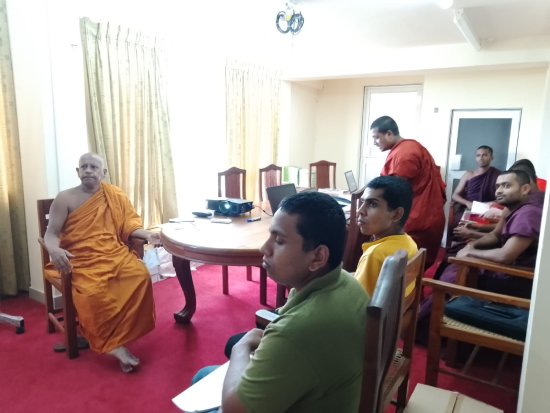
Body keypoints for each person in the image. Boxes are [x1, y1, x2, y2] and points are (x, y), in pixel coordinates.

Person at [199, 192, 368, 412]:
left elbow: (234, 410)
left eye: (279, 241)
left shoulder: (297, 331)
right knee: (206, 374)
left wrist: (242, 347)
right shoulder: (348, 283)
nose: (264, 248)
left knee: (202, 376)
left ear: (318, 257)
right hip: (335, 394)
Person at [44, 152, 158, 373]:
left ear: (103, 172)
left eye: (94, 167)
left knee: (140, 276)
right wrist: (54, 249)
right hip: (80, 259)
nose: (88, 170)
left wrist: (148, 235)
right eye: (84, 166)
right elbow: (51, 233)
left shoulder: (115, 195)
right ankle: (112, 345)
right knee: (93, 292)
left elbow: (129, 226)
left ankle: (120, 335)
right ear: (77, 172)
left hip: (113, 253)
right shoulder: (64, 198)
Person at [418, 169, 543, 320]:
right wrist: (471, 246)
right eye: (498, 186)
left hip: (514, 279)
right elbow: (495, 235)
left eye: (506, 186)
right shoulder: (514, 208)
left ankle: (428, 323)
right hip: (506, 271)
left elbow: (505, 256)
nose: (499, 191)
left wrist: (471, 253)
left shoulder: (529, 213)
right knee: (454, 264)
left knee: (455, 274)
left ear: (525, 189)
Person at [371, 115, 446, 269]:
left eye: (376, 137)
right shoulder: (411, 147)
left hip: (418, 220)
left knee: (401, 269)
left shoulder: (405, 153)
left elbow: (393, 192)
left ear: (389, 134)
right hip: (430, 215)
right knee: (413, 270)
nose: (374, 143)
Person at [355, 176, 418, 297]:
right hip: (395, 307)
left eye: (372, 204)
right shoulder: (409, 242)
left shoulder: (375, 255)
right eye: (362, 202)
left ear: (396, 214)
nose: (360, 211)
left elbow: (357, 302)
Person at [451, 145, 501, 211]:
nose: (481, 158)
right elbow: (455, 195)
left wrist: (491, 204)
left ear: (491, 158)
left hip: (488, 209)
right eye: (478, 155)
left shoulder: (498, 175)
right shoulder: (468, 174)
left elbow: (502, 197)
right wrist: (467, 203)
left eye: (484, 155)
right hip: (468, 208)